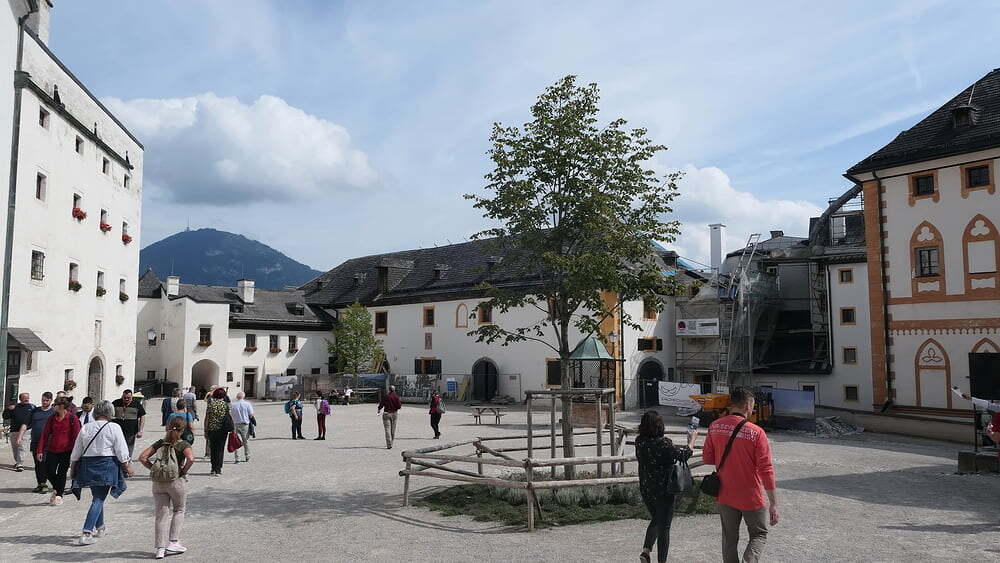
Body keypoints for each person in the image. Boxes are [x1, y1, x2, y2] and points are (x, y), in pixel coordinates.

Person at [702, 387, 779, 563]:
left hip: (725, 493)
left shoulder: (715, 426)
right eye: (753, 405)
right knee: (759, 534)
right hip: (750, 496)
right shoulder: (757, 432)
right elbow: (766, 469)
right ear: (747, 405)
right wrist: (774, 504)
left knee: (729, 538)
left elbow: (708, 458)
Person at [635, 410, 697, 563]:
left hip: (646, 488)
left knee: (657, 518)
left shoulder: (639, 441)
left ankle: (646, 551)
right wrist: (691, 441)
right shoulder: (663, 443)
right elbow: (683, 455)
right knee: (664, 527)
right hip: (664, 490)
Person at [69, 400, 133, 545]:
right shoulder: (114, 427)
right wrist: (127, 465)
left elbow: (77, 450)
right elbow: (121, 449)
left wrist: (73, 468)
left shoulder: (86, 427)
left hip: (88, 464)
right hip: (106, 464)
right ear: (110, 412)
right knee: (98, 498)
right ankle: (86, 532)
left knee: (97, 496)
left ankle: (100, 527)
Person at [138, 417, 194, 559]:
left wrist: (154, 469)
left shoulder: (160, 443)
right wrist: (183, 471)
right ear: (182, 430)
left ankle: (160, 548)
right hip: (176, 481)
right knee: (179, 509)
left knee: (161, 515)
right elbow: (191, 459)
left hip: (158, 483)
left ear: (168, 427)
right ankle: (173, 542)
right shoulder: (183, 444)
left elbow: (143, 457)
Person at [37, 397, 82, 505]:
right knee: (48, 471)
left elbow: (77, 436)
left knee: (62, 473)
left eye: (55, 404)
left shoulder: (72, 418)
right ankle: (58, 489)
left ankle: (59, 495)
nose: (53, 406)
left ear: (61, 406)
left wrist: (76, 453)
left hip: (66, 451)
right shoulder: (52, 418)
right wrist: (40, 450)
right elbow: (45, 434)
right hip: (52, 449)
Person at [28, 391, 55, 493]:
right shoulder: (35, 411)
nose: (44, 402)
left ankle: (48, 484)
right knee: (38, 464)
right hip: (35, 441)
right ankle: (40, 484)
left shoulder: (53, 412)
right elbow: (28, 423)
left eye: (46, 400)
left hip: (48, 443)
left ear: (51, 400)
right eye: (43, 400)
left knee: (45, 463)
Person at [203, 388, 231, 476]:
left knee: (213, 449)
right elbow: (229, 417)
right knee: (220, 449)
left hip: (212, 429)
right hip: (222, 430)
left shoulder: (211, 405)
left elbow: (207, 418)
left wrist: (205, 430)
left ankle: (213, 468)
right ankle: (218, 469)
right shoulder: (226, 405)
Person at [112, 389, 146, 459]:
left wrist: (140, 430)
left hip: (131, 432)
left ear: (132, 397)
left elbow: (142, 416)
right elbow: (109, 414)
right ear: (122, 396)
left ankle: (128, 461)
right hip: (117, 431)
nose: (126, 399)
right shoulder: (115, 403)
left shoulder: (137, 404)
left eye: (128, 398)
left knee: (129, 448)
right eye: (124, 397)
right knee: (117, 447)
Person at [10, 392, 34, 472]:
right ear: (20, 399)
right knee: (15, 448)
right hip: (14, 430)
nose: (27, 399)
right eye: (24, 398)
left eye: (28, 397)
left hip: (26, 430)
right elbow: (5, 416)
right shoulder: (15, 407)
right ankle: (18, 461)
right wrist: (9, 409)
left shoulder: (32, 407)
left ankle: (20, 463)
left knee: (22, 447)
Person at [229, 392, 253, 462]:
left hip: (235, 424)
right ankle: (247, 456)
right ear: (243, 397)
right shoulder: (247, 404)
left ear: (237, 397)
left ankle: (237, 458)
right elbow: (251, 414)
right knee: (246, 441)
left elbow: (230, 414)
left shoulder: (233, 405)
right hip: (244, 424)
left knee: (236, 441)